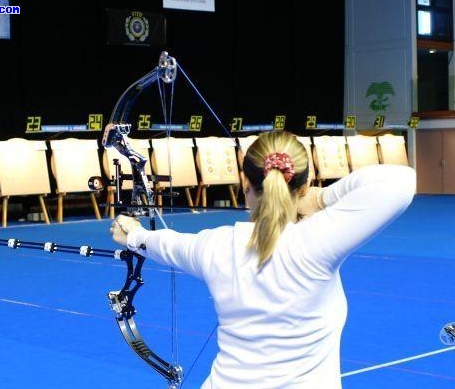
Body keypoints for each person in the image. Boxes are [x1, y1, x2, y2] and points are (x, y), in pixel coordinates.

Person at [109, 130, 416, 389]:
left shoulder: (215, 245)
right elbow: (400, 181)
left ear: (245, 186)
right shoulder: (317, 241)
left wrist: (133, 234)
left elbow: (165, 243)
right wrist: (321, 198)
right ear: (304, 185)